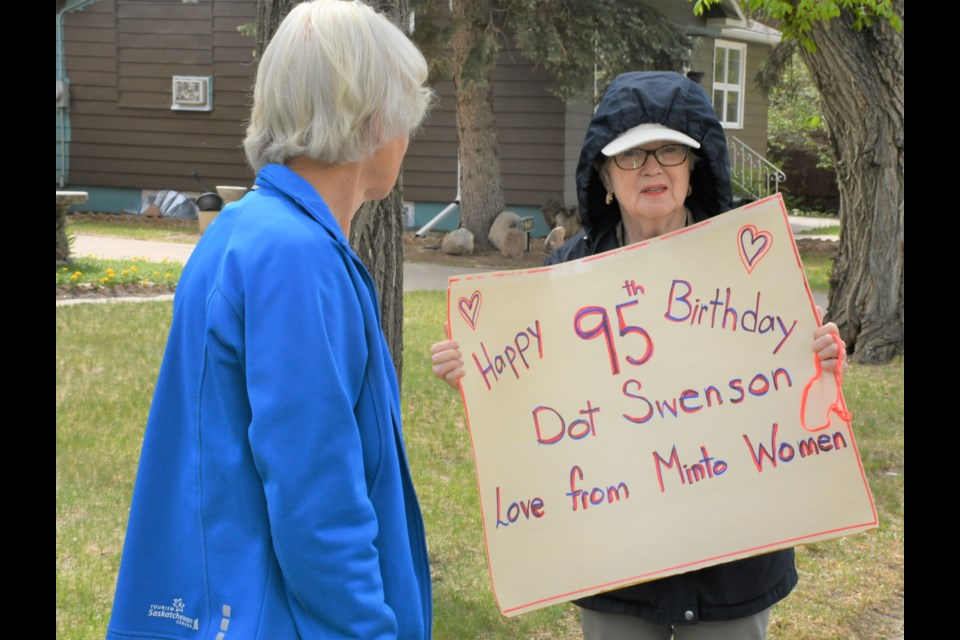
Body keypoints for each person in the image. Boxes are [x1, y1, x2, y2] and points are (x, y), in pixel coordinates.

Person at [429, 70, 845, 639]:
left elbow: (790, 386)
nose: (652, 167)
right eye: (630, 155)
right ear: (603, 173)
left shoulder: (752, 268)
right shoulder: (562, 278)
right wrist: (479, 379)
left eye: (670, 149)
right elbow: (535, 401)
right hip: (614, 559)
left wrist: (818, 363)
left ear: (694, 165)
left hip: (733, 564)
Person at [105, 2, 434, 638]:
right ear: (370, 116)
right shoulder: (296, 254)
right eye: (405, 112)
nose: (408, 134)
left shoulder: (244, 228)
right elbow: (316, 496)